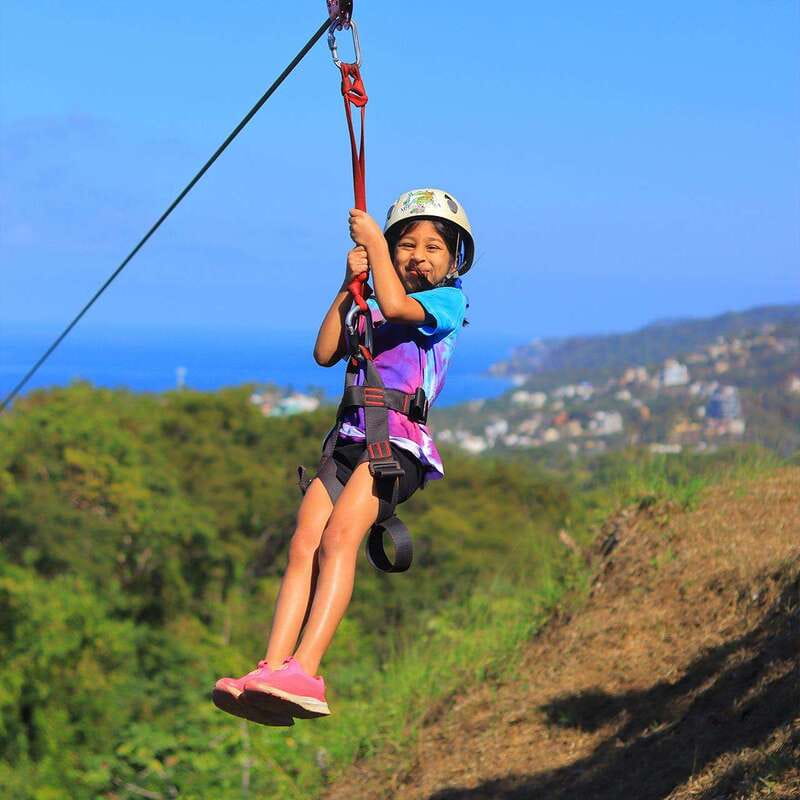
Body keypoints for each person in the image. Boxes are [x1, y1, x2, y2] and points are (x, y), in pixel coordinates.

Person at [212, 188, 475, 725]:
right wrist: (347, 285)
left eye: (432, 248)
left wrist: (377, 245)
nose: (417, 256)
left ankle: (306, 671)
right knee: (304, 541)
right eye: (407, 245)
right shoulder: (372, 302)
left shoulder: (447, 302)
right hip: (349, 438)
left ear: (453, 261)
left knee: (338, 539)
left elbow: (402, 307)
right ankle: (273, 665)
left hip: (397, 445)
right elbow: (326, 351)